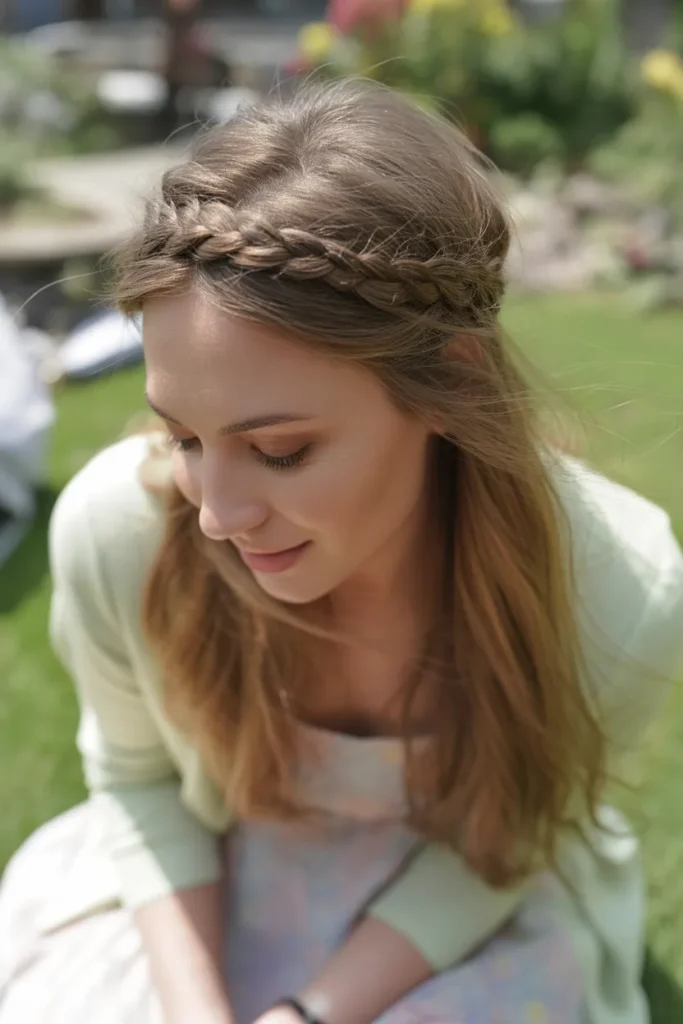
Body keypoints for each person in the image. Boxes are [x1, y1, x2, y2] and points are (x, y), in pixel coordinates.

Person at [1, 79, 682, 1024]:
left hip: (461, 913)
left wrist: (310, 1014)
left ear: (449, 381)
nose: (217, 517)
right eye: (184, 438)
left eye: (281, 451)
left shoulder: (620, 588)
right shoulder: (118, 531)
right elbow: (139, 786)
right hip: (205, 882)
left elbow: (505, 843)